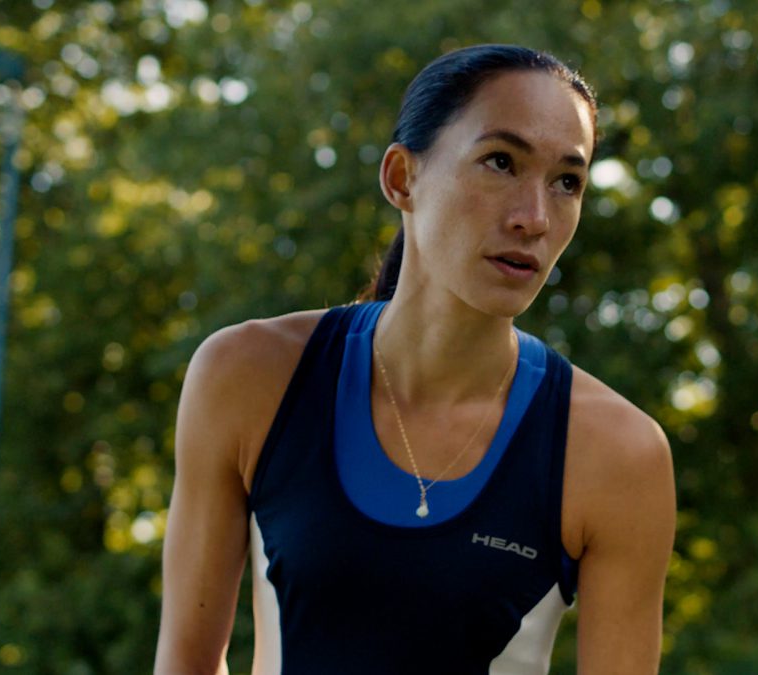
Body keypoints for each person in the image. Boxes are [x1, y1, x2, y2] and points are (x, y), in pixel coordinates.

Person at [155, 44, 677, 675]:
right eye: (501, 162)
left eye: (566, 181)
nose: (534, 218)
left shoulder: (618, 454)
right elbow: (185, 663)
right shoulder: (248, 376)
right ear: (402, 178)